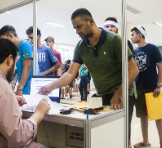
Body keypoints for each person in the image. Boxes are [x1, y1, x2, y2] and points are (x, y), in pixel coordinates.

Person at [38, 8, 139, 147]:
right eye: (75, 28)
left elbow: (133, 70)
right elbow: (70, 74)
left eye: (79, 27)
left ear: (91, 21)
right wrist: (50, 86)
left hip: (123, 93)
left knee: (121, 133)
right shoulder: (81, 46)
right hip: (102, 93)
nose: (77, 31)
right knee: (104, 132)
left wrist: (119, 93)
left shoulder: (115, 40)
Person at [131, 26, 162, 148]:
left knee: (158, 116)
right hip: (139, 87)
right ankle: (145, 141)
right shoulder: (134, 51)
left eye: (133, 34)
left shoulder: (152, 48)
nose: (131, 37)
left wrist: (159, 85)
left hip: (152, 87)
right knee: (142, 116)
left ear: (140, 35)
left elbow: (160, 67)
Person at [0, 25, 39, 95]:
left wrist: (19, 88)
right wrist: (12, 84)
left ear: (10, 36)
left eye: (4, 40)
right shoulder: (14, 49)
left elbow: (27, 67)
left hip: (29, 85)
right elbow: (16, 71)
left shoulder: (25, 45)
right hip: (21, 84)